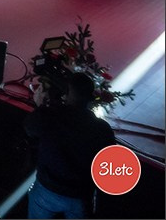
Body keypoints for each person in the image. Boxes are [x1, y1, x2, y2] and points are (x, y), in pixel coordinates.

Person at [24, 71, 117, 219]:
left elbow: (30, 128)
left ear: (66, 93)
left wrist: (39, 106)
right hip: (81, 196)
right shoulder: (103, 129)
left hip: (47, 189)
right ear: (91, 97)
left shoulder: (51, 115)